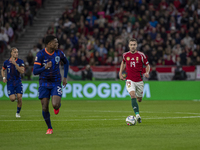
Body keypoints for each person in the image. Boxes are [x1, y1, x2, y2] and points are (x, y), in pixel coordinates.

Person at [33, 35, 69, 134]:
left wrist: (65, 77)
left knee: (55, 105)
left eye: (57, 42)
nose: (57, 44)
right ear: (49, 44)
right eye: (55, 42)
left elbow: (66, 63)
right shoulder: (40, 55)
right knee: (44, 107)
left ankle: (57, 105)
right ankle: (50, 128)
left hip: (56, 82)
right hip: (44, 83)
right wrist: (45, 67)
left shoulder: (59, 53)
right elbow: (35, 71)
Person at [119, 38, 150, 123]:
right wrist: (120, 73)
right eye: (131, 45)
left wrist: (147, 72)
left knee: (139, 99)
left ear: (136, 45)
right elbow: (123, 63)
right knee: (133, 95)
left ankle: (139, 99)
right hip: (129, 79)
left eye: (134, 45)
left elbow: (147, 65)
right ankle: (137, 115)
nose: (132, 46)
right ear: (129, 46)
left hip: (139, 80)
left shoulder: (141, 55)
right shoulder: (125, 55)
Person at [1, 47, 25, 118]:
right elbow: (2, 70)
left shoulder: (20, 61)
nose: (16, 53)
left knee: (20, 98)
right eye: (14, 52)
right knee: (12, 99)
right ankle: (16, 97)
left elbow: (22, 71)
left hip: (18, 82)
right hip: (10, 83)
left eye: (17, 52)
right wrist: (4, 77)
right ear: (11, 53)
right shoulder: (6, 62)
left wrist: (15, 64)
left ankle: (18, 113)